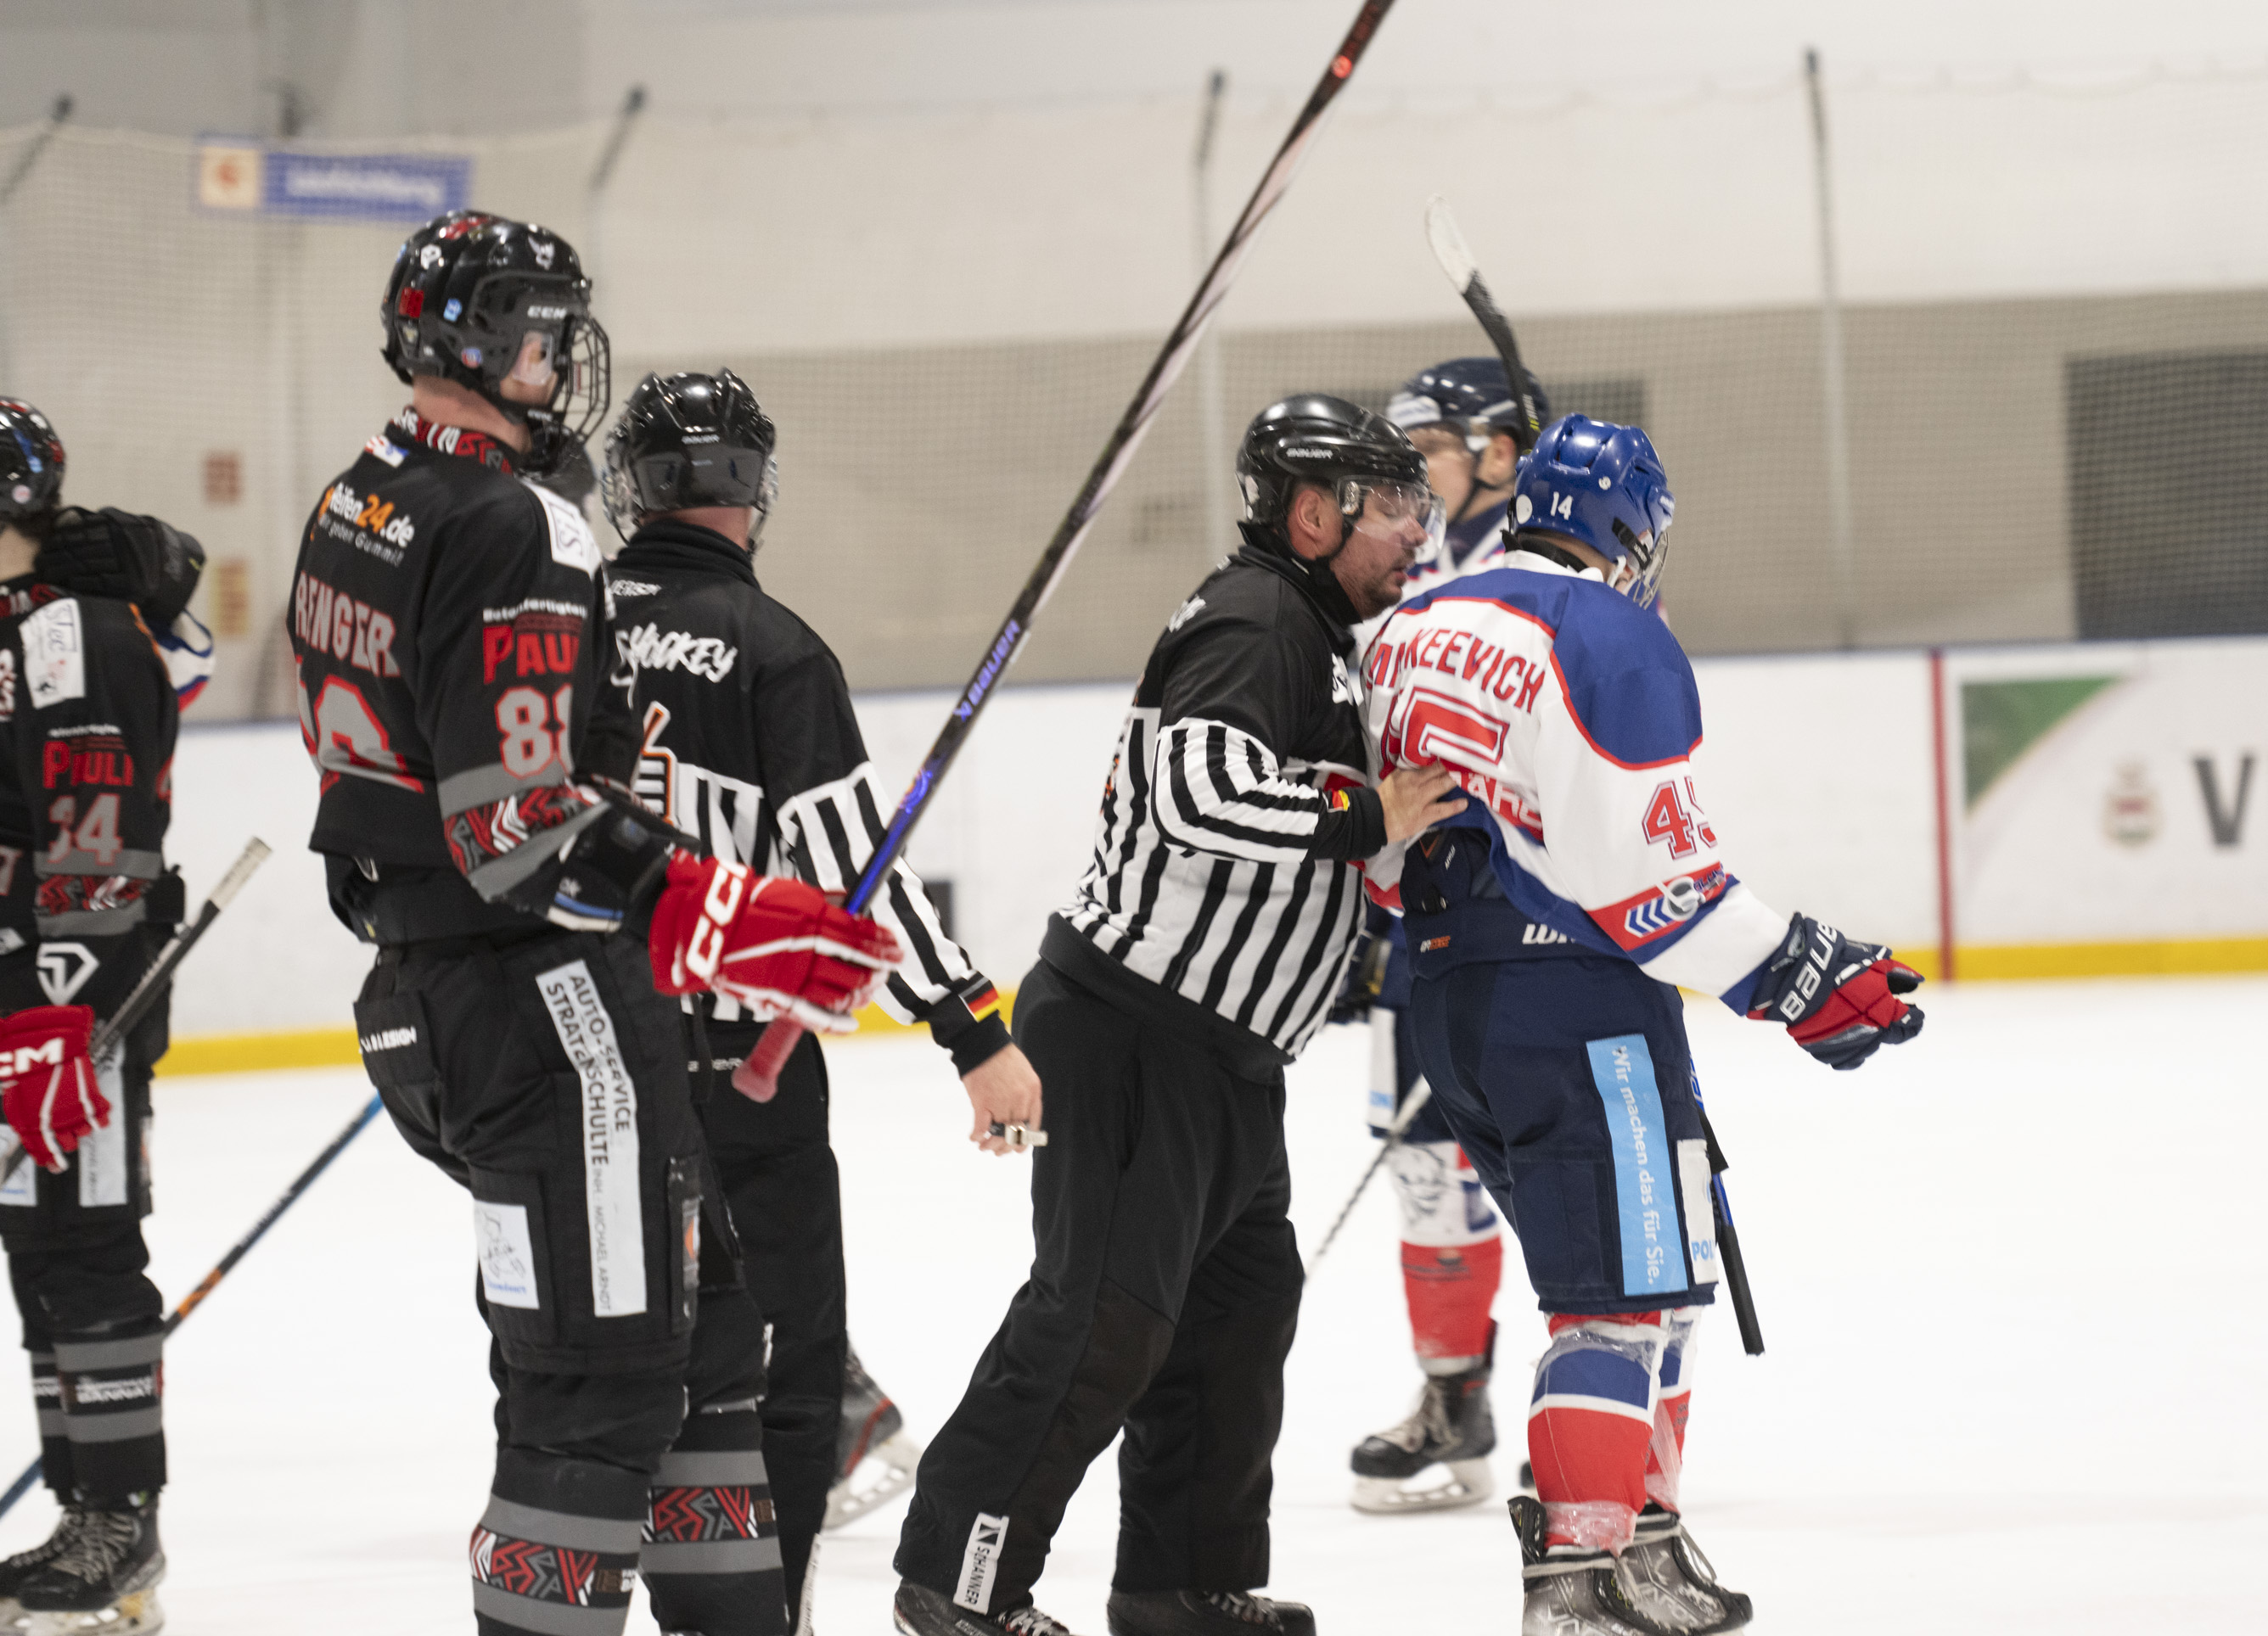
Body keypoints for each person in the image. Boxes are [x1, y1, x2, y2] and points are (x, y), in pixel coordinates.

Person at [302, 209, 906, 1636]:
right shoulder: (513, 519)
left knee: (707, 1343)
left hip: (445, 990)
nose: (561, 358)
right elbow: (509, 825)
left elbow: (421, 774)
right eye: (540, 329)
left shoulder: (362, 495)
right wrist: (721, 913)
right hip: (545, 1008)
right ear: (477, 337)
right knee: (604, 1378)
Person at [890, 395, 1469, 1636]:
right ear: (1312, 514)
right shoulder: (1257, 617)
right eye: (1391, 507)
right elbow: (1193, 787)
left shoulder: (1313, 631)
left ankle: (1176, 1589)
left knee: (1233, 1315)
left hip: (1223, 1059)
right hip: (1136, 1032)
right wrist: (1367, 819)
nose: (1413, 531)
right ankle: (958, 1584)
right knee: (1101, 1320)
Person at [1359, 415, 1926, 1634]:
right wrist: (1797, 974)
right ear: (1633, 532)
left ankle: (1648, 1543)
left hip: (1448, 1001)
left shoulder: (1413, 625)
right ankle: (1582, 1576)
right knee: (1615, 1299)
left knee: (1661, 1273)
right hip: (1579, 1006)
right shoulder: (1611, 635)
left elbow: (1394, 850)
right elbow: (1653, 896)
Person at [598, 369, 1045, 1631]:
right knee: (780, 1385)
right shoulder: (776, 650)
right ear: (756, 489)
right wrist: (974, 1031)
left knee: (591, 1372)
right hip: (742, 1080)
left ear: (633, 484)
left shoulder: (559, 620)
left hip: (579, 1063)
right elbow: (862, 888)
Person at [0, 400, 208, 1636]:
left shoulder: (74, 633)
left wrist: (56, 1016)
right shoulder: (26, 627)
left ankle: (122, 1522)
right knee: (40, 1252)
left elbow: (95, 849)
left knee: (83, 1250)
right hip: (26, 997)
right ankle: (85, 1509)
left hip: (78, 1001)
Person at [1335, 357, 1549, 1515]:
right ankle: (1451, 1400)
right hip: (1412, 926)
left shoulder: (1559, 569)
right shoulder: (1402, 572)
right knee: (1427, 1170)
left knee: (1548, 1164)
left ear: (1500, 453)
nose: (1406, 476)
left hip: (1535, 928)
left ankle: (1590, 1401)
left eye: (1427, 451)